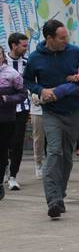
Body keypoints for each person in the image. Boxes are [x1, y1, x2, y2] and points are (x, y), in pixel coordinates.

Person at [23, 20, 79, 218]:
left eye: (66, 37)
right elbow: (27, 80)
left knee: (67, 157)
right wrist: (41, 90)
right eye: (61, 38)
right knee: (54, 152)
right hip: (51, 112)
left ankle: (60, 194)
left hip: (73, 111)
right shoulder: (35, 58)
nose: (66, 41)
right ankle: (53, 200)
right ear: (49, 38)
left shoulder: (75, 52)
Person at [0, 49, 27, 200]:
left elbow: (23, 94)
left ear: (3, 57)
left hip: (6, 119)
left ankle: (6, 178)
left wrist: (7, 99)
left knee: (4, 150)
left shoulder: (12, 74)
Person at [4, 32, 30, 191]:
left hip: (22, 108)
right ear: (14, 45)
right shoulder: (3, 62)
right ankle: (4, 166)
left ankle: (13, 176)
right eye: (24, 45)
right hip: (4, 109)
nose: (26, 48)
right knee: (4, 141)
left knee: (18, 142)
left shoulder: (27, 63)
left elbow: (31, 83)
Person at [29, 92, 45, 178]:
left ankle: (53, 165)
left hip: (54, 111)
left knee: (54, 138)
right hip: (37, 112)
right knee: (38, 139)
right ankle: (38, 164)